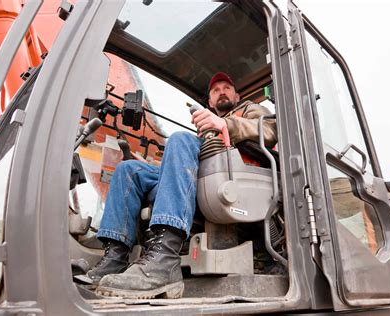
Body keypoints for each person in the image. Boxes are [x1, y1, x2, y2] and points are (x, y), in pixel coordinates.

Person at [79, 72, 277, 298]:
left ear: (237, 94)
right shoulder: (205, 127)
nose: (221, 91)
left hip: (234, 174)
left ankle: (165, 259)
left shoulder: (248, 110)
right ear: (210, 102)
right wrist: (160, 167)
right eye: (215, 90)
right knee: (129, 170)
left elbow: (270, 130)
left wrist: (225, 124)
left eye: (226, 88)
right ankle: (114, 257)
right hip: (203, 174)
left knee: (180, 139)